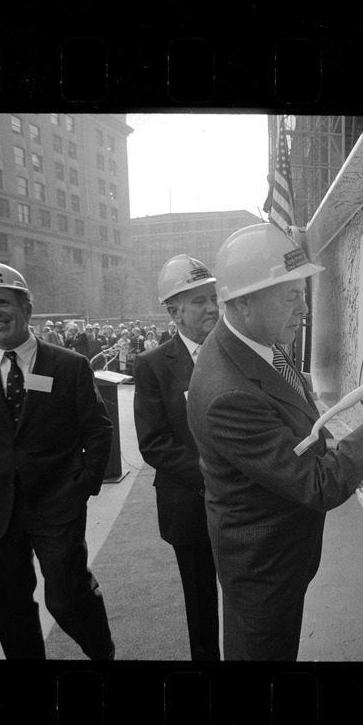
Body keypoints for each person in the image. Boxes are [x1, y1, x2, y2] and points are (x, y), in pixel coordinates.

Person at [187, 224, 363, 660]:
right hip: (265, 570)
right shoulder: (227, 394)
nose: (304, 308)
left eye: (303, 292)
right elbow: (317, 486)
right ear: (244, 301)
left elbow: (293, 420)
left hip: (277, 557)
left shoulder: (256, 342)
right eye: (291, 295)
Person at [0, 259, 115, 660]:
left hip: (56, 504)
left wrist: (82, 485)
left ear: (26, 307)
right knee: (8, 607)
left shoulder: (69, 366)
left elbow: (98, 429)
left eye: (1, 301)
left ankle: (103, 653)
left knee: (69, 597)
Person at [133, 255, 222, 661]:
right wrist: (212, 475)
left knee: (248, 597)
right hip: (189, 503)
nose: (212, 308)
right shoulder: (153, 366)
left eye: (213, 298)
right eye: (199, 301)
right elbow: (153, 443)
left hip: (246, 505)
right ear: (174, 311)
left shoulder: (236, 353)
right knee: (201, 602)